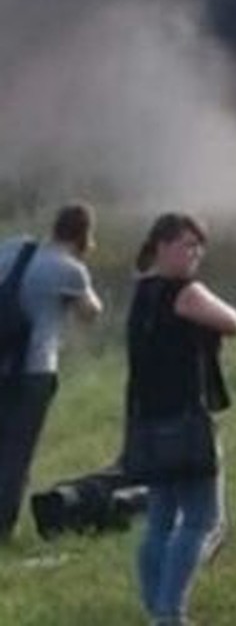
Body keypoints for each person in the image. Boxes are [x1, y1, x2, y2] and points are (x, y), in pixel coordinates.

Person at [126, 213, 236, 626]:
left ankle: (155, 606)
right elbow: (235, 323)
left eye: (199, 245)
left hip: (148, 419)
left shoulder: (142, 291)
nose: (194, 253)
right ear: (160, 245)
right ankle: (169, 612)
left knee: (160, 518)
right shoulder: (186, 292)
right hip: (186, 419)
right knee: (201, 519)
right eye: (185, 243)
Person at [0, 202, 103, 541]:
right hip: (33, 370)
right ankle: (3, 528)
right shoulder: (69, 269)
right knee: (16, 452)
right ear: (84, 236)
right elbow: (90, 313)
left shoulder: (12, 247)